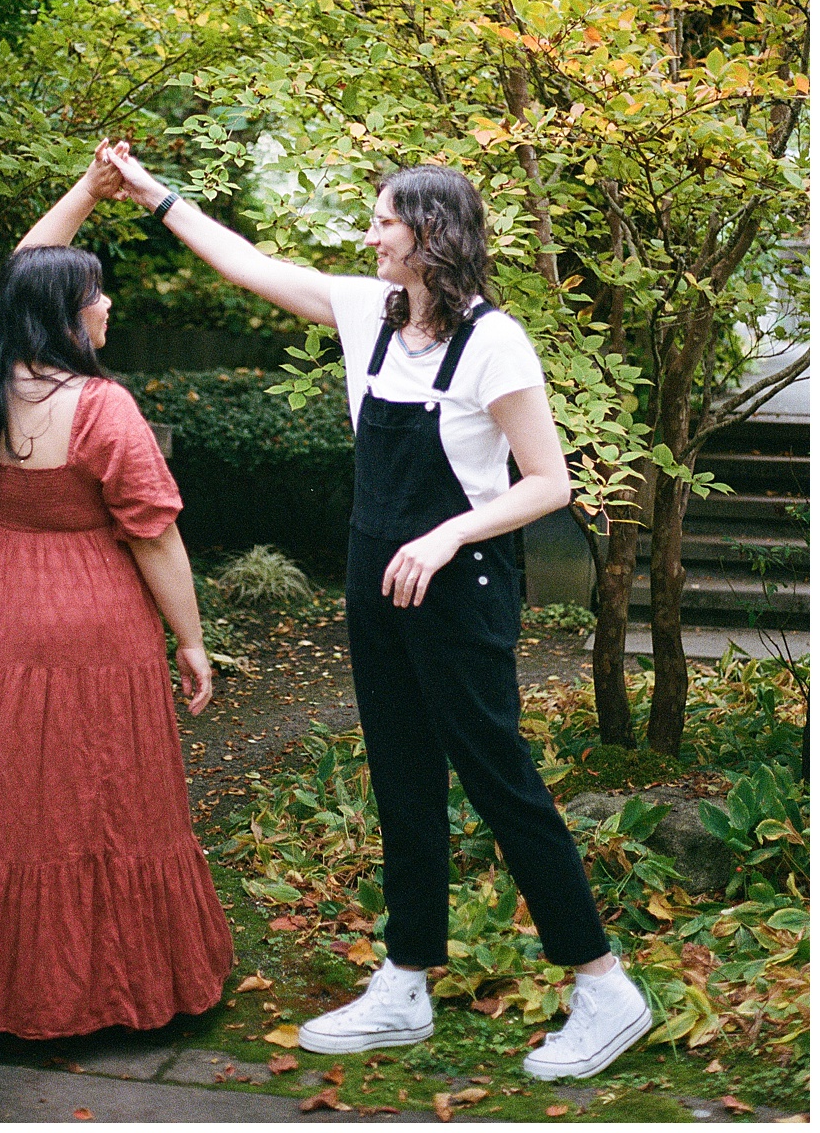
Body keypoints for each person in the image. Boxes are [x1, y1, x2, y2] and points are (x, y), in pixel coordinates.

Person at [102, 146, 653, 1080]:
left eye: (385, 221)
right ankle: (405, 981)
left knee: (497, 777)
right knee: (400, 775)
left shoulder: (496, 343)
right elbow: (247, 263)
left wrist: (446, 537)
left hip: (459, 584)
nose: (369, 234)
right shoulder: (367, 312)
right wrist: (154, 194)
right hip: (373, 576)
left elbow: (551, 484)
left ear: (430, 236)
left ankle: (603, 985)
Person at [0, 151, 235, 1040]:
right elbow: (155, 536)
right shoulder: (103, 408)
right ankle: (114, 991)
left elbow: (16, 273)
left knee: (8, 794)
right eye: (96, 294)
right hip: (93, 612)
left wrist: (88, 192)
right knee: (109, 789)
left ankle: (7, 993)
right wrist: (192, 642)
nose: (108, 304)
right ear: (66, 313)